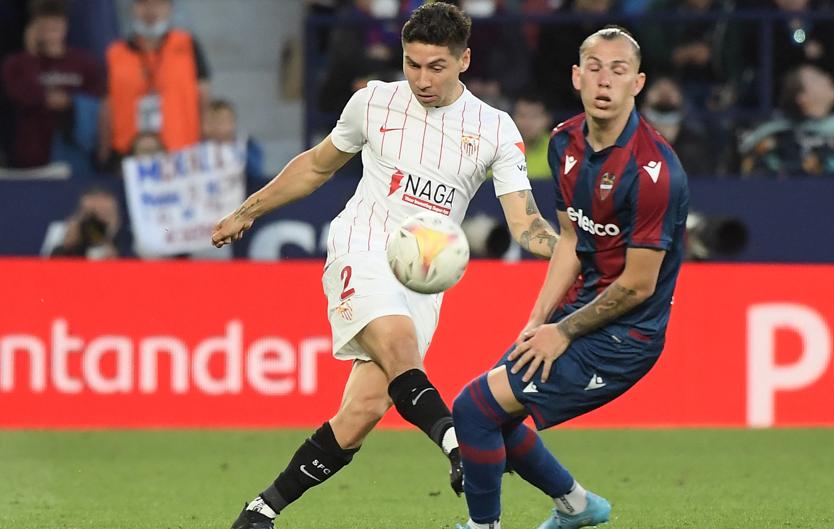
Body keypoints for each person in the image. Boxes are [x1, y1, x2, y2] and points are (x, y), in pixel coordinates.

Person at [213, 4, 559, 529]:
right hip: (364, 244)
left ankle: (261, 511)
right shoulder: (373, 102)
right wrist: (247, 210)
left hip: (426, 275)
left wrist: (570, 251)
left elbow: (525, 222)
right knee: (398, 344)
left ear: (464, 60)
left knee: (364, 411)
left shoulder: (494, 129)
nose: (422, 79)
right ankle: (457, 445)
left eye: (436, 66)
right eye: (412, 64)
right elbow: (315, 166)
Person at [451, 26, 689, 529]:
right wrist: (537, 321)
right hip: (576, 309)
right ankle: (579, 507)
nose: (605, 80)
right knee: (499, 415)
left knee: (472, 410)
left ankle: (483, 527)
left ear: (638, 83)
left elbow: (638, 285)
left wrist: (561, 331)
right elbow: (570, 240)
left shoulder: (654, 172)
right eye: (595, 68)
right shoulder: (564, 142)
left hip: (627, 335)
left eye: (619, 70)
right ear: (577, 77)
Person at [98, 0, 211, 164]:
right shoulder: (114, 54)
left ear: (170, 8)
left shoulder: (188, 45)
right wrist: (104, 152)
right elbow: (106, 106)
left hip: (181, 154)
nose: (151, 11)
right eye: (143, 4)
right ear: (132, 9)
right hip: (127, 154)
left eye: (159, 4)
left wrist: (205, 144)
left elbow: (204, 98)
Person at [1, 0, 105, 168]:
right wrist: (31, 54)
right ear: (33, 27)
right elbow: (19, 94)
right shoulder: (16, 64)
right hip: (28, 157)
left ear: (65, 24)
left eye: (55, 24)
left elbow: (99, 106)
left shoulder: (86, 64)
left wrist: (70, 102)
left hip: (76, 156)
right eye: (44, 25)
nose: (50, 31)